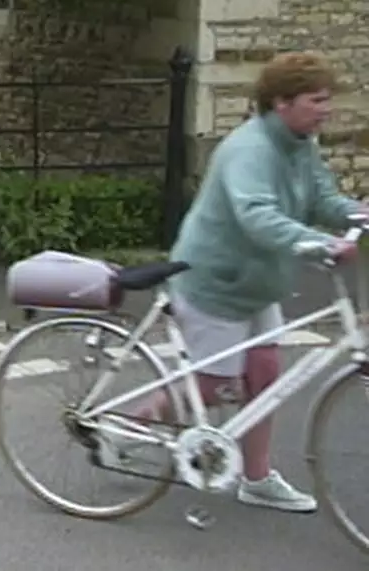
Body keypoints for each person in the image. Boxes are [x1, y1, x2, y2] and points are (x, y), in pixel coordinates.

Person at [108, 51, 361, 512]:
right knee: (210, 384)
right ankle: (136, 424)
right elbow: (256, 216)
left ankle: (257, 477)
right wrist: (321, 245)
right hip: (216, 280)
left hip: (259, 282)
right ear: (282, 102)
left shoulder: (301, 143)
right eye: (316, 99)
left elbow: (323, 197)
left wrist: (358, 215)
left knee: (266, 374)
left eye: (328, 100)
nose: (326, 109)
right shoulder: (250, 149)